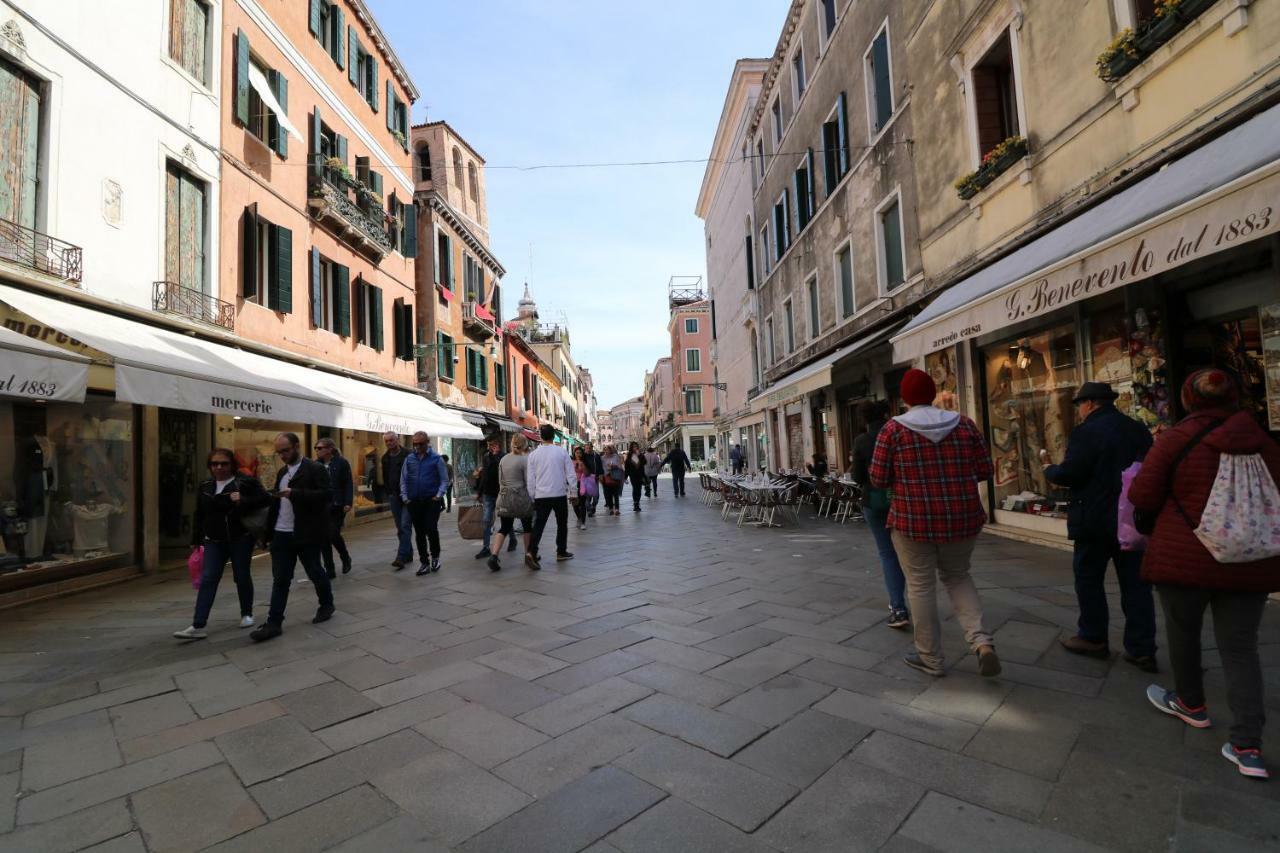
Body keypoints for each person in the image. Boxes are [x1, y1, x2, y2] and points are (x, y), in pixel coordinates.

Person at [1130, 369, 1280, 780]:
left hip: (1186, 557)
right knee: (1241, 649)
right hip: (1248, 560)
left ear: (1187, 399)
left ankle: (1191, 704)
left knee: (1183, 632)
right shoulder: (1264, 442)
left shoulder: (1176, 439)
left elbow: (1142, 494)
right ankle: (1248, 746)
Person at [869, 369, 1001, 678]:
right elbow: (984, 469)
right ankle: (981, 641)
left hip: (912, 520)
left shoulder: (893, 430)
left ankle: (931, 657)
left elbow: (877, 478)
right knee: (958, 576)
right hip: (962, 518)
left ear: (904, 398)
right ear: (933, 393)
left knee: (920, 584)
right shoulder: (964, 424)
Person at [1042, 381, 1157, 671]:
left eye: (1080, 404)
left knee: (1089, 577)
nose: (1079, 410)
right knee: (1136, 584)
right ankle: (1141, 647)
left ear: (1090, 403)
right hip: (1130, 519)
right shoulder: (1137, 429)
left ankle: (1093, 637)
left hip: (1094, 518)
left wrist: (1049, 470)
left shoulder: (1087, 431)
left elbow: (1071, 473)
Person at [174, 448, 270, 639]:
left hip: (240, 538)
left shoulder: (244, 481)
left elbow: (265, 499)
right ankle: (198, 624)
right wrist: (196, 539)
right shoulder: (206, 485)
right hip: (213, 540)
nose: (219, 467)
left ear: (232, 464)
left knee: (241, 576)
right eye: (214, 464)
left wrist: (243, 499)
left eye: (223, 463)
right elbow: (199, 514)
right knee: (208, 579)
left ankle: (246, 614)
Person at [249, 433, 335, 643]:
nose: (282, 455)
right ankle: (274, 622)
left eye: (285, 450)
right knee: (280, 579)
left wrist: (295, 493)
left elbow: (327, 496)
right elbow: (277, 506)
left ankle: (326, 604)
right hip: (281, 534)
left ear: (297, 446)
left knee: (315, 570)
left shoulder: (314, 469)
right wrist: (267, 534)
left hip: (306, 532)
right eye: (279, 452)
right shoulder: (281, 473)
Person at [853, 400, 909, 630]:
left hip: (874, 502)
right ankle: (915, 600)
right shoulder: (898, 435)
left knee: (887, 554)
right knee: (908, 553)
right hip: (901, 499)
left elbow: (857, 477)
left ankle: (898, 607)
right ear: (887, 414)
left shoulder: (862, 441)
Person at [526, 424, 576, 568]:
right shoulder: (561, 452)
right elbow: (571, 474)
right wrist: (573, 492)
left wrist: (533, 496)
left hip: (541, 495)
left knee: (539, 525)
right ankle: (561, 551)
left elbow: (531, 479)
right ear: (554, 436)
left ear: (541, 437)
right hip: (559, 493)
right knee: (562, 524)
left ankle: (531, 551)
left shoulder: (533, 455)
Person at [401, 431, 449, 576]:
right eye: (415, 444)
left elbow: (444, 480)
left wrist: (438, 495)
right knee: (419, 533)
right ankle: (424, 562)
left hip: (431, 500)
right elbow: (403, 479)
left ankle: (435, 557)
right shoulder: (409, 459)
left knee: (431, 529)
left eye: (420, 444)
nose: (417, 447)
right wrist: (405, 497)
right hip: (414, 501)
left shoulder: (436, 459)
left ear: (427, 442)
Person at [489, 434, 534, 572]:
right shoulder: (524, 460)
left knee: (504, 527)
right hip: (520, 496)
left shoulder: (503, 459)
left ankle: (494, 556)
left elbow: (500, 480)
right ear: (524, 445)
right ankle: (528, 554)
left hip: (505, 497)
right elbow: (528, 482)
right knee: (527, 526)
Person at [315, 437, 354, 579]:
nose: (317, 451)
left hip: (338, 504)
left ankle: (345, 557)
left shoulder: (341, 463)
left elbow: (348, 483)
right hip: (322, 505)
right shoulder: (316, 465)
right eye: (316, 448)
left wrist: (348, 502)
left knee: (332, 534)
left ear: (330, 449)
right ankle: (329, 569)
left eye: (320, 448)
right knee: (323, 538)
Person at [382, 432, 413, 570]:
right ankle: (409, 553)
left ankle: (401, 556)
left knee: (405, 525)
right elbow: (385, 476)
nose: (389, 443)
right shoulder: (385, 458)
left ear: (398, 440)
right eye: (387, 441)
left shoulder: (408, 454)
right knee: (400, 527)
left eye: (391, 440)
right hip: (394, 496)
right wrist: (389, 492)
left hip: (408, 496)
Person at [472, 436, 504, 561]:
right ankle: (486, 547)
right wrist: (479, 492)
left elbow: (501, 472)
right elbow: (484, 476)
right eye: (488, 445)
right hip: (488, 493)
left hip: (500, 493)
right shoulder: (486, 457)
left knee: (505, 518)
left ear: (497, 445)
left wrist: (496, 456)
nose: (489, 447)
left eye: (492, 445)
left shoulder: (503, 456)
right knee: (486, 520)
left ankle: (512, 539)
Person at [572, 446, 597, 530]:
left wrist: (581, 464)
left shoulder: (584, 462)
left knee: (582, 504)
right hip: (572, 485)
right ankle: (579, 517)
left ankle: (583, 522)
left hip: (582, 484)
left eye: (580, 453)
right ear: (574, 453)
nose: (578, 454)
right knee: (575, 504)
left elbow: (587, 473)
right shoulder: (571, 462)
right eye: (577, 453)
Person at [601, 444, 625, 515]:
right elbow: (602, 468)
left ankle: (617, 509)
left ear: (611, 450)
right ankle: (611, 508)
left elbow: (620, 466)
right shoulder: (602, 458)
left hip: (615, 476)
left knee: (615, 494)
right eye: (605, 449)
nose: (606, 451)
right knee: (608, 494)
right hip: (606, 477)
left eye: (608, 449)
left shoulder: (616, 457)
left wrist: (614, 466)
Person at [582, 442, 605, 517]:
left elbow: (600, 466)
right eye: (586, 448)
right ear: (584, 448)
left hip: (595, 478)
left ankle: (593, 506)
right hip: (586, 478)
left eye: (589, 448)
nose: (588, 449)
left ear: (592, 448)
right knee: (587, 496)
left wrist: (601, 474)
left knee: (596, 496)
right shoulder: (583, 456)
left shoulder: (596, 456)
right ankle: (589, 510)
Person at [624, 441, 647, 512]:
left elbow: (644, 462)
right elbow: (627, 467)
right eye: (634, 446)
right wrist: (625, 477)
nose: (635, 448)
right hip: (633, 475)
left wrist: (640, 455)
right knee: (635, 488)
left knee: (639, 489)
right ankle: (635, 504)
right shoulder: (630, 456)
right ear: (631, 448)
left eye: (636, 446)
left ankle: (637, 502)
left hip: (640, 474)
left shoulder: (640, 455)